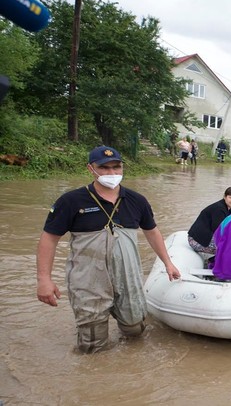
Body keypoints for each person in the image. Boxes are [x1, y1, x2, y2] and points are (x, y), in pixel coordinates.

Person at [36, 146, 181, 354]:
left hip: (127, 276)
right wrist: (44, 280)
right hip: (88, 279)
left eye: (116, 167)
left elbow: (152, 231)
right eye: (104, 168)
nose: (112, 173)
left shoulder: (136, 200)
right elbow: (49, 239)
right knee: (93, 345)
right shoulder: (71, 201)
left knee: (135, 329)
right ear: (91, 169)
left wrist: (168, 263)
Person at [187, 186, 231, 267]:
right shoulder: (219, 209)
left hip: (207, 238)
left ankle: (213, 261)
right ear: (225, 196)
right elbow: (218, 231)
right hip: (196, 241)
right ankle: (213, 263)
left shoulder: (230, 210)